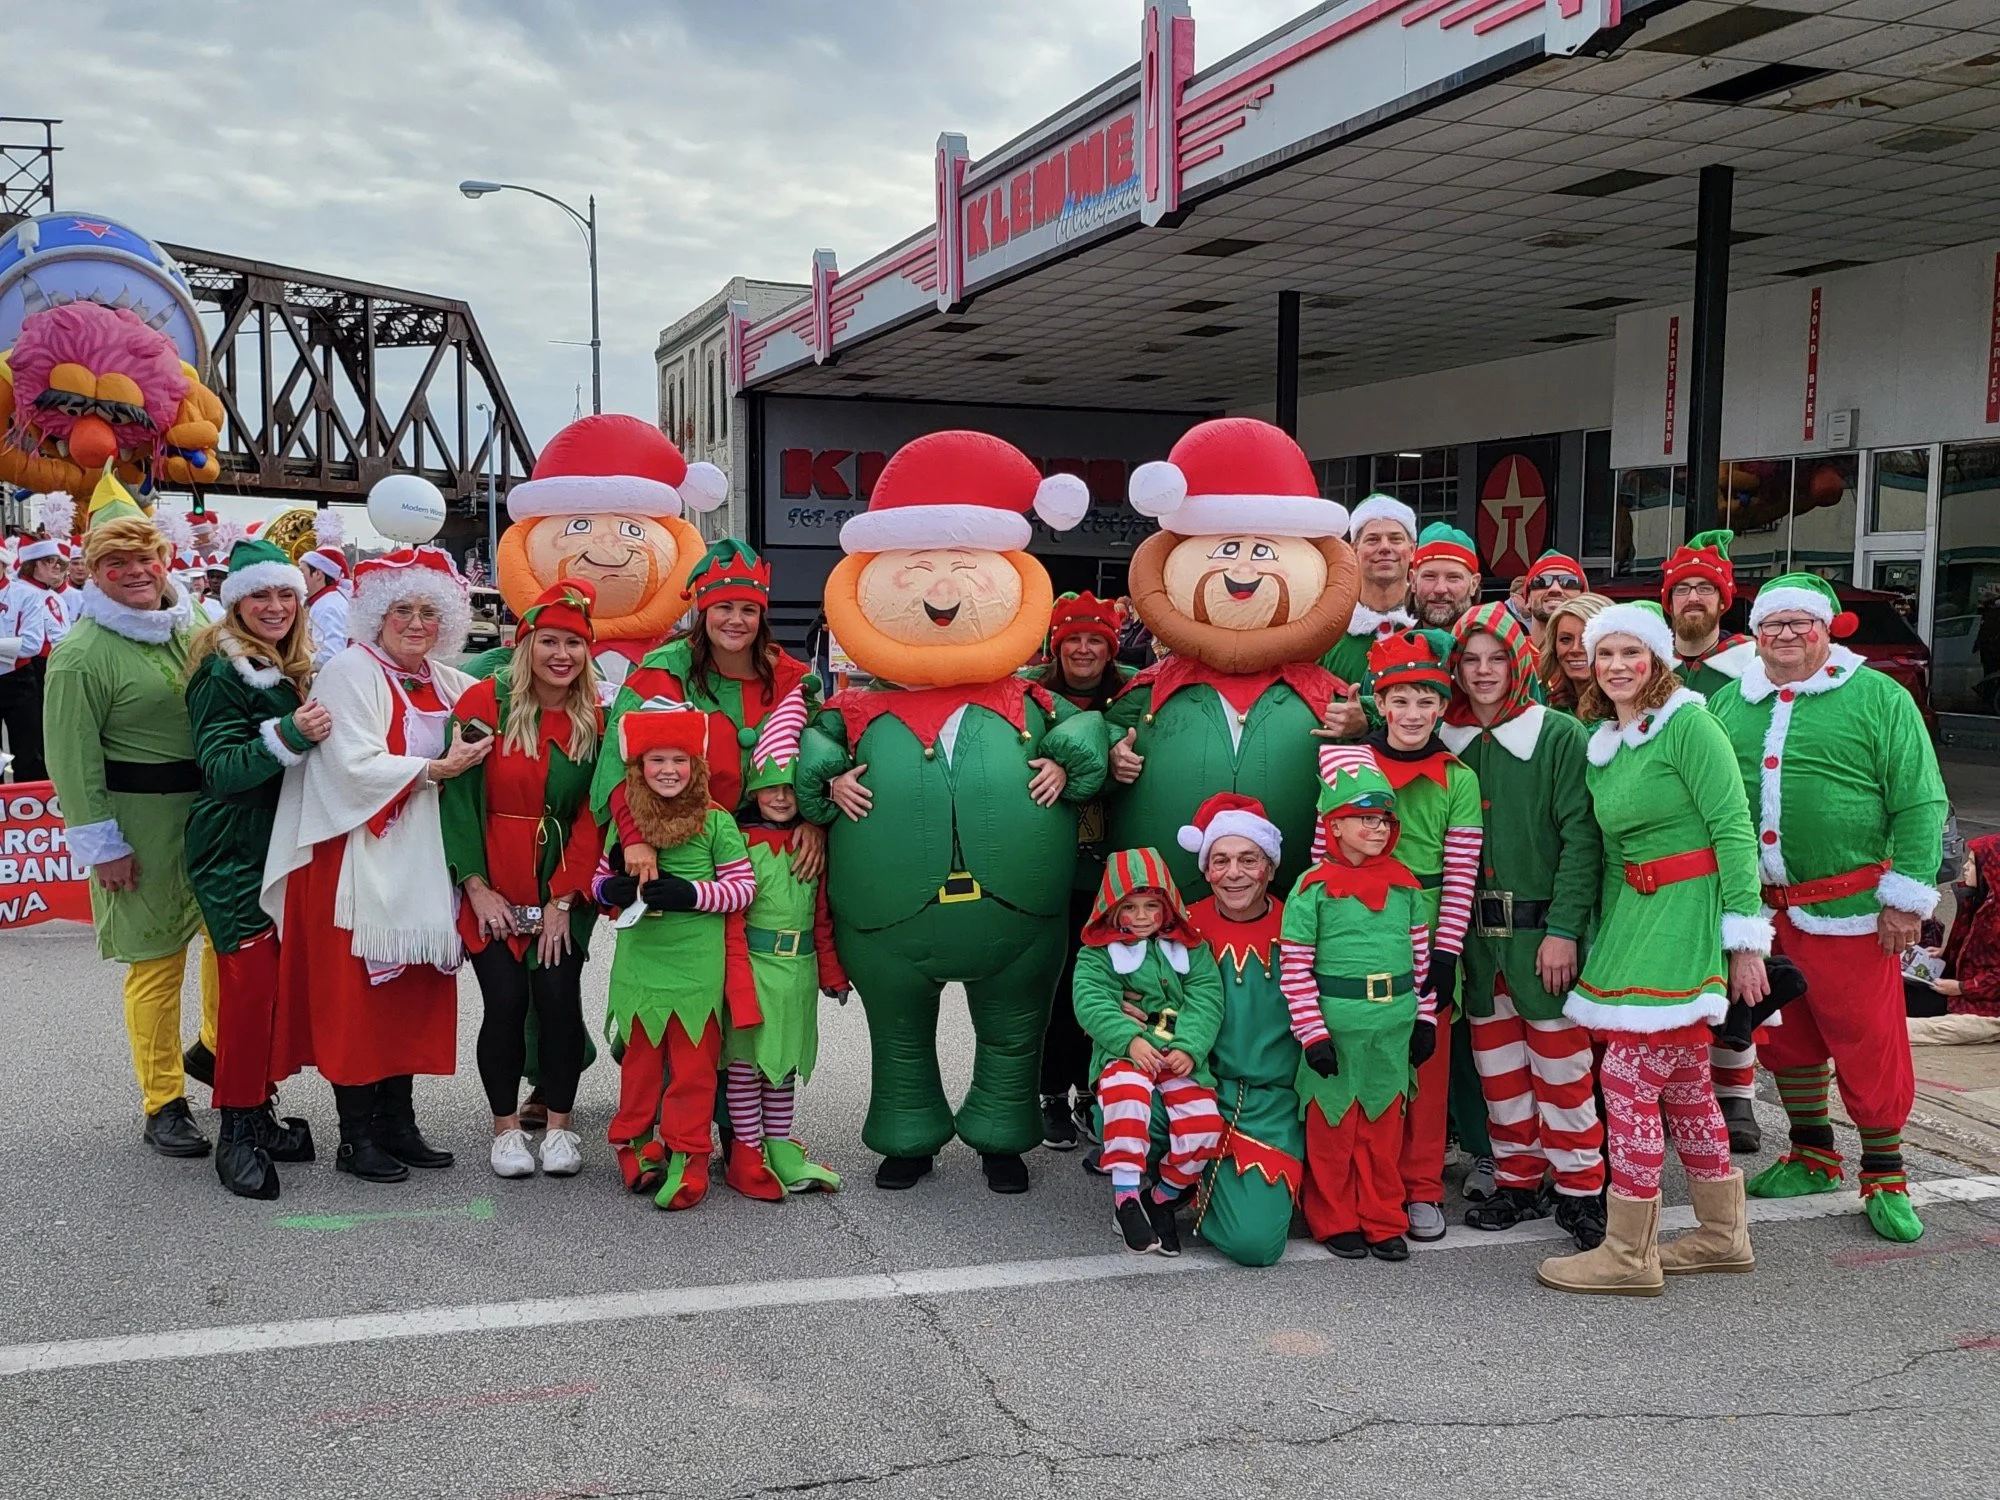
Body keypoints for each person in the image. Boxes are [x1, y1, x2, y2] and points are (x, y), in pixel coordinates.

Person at [795, 430, 1108, 1194]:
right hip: (890, 913)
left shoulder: (1031, 701)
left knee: (1013, 1032)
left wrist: (1073, 754)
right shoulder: (853, 709)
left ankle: (1003, 1131)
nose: (940, 591)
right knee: (899, 1035)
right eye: (916, 573)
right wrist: (825, 781)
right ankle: (909, 1133)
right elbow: (806, 759)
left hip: (1018, 908)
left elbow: (1090, 732)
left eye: (964, 572)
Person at [1537, 601, 1768, 1296]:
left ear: (1658, 659)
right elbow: (1609, 855)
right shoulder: (1607, 739)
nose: (1616, 667)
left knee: (1630, 1084)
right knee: (1688, 1087)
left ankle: (1629, 1253)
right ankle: (1723, 1235)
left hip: (1686, 915)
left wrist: (1745, 939)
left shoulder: (1690, 723)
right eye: (1605, 655)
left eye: (1632, 654)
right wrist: (1601, 937)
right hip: (1634, 919)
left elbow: (1732, 827)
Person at [1709, 573, 1948, 1244]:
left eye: (1798, 625)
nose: (1784, 636)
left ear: (1826, 628)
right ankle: (1812, 1153)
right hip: (1763, 912)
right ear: (1754, 637)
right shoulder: (1732, 701)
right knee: (1788, 1040)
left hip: (1854, 911)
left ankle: (1885, 1174)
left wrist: (1907, 897)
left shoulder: (1877, 696)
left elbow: (1920, 800)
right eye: (1771, 626)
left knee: (1868, 1043)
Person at [262, 543, 491, 1184]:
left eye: (428, 612)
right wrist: (433, 770)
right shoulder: (348, 672)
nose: (418, 623)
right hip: (354, 862)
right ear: (376, 618)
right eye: (403, 611)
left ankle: (400, 1123)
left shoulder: (446, 679)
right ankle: (355, 1135)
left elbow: (500, 708)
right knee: (357, 999)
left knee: (410, 995)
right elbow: (349, 764)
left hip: (420, 862)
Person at [1109, 418, 1359, 898]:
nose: (1241, 572)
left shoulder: (1328, 695)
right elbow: (1105, 730)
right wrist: (1108, 751)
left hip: (1294, 899)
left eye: (1263, 552)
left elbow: (1384, 740)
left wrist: (1362, 721)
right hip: (1165, 898)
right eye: (1225, 550)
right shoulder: (1149, 692)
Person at [46, 474, 222, 1155]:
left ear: (164, 558)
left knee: (228, 950)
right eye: (116, 563)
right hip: (138, 825)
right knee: (156, 964)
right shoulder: (81, 655)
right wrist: (103, 844)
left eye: (143, 557)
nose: (134, 572)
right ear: (94, 572)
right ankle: (163, 1099)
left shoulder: (197, 625)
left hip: (210, 817)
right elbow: (72, 760)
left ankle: (218, 1054)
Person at [1441, 603, 1606, 1248]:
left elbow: (1581, 839)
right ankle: (1517, 1178)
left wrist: (1564, 929)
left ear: (1519, 662)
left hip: (1542, 935)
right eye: (1471, 659)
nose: (1484, 672)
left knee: (1562, 1072)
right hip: (1476, 940)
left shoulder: (1558, 735)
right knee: (1499, 1069)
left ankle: (1581, 1188)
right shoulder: (1442, 737)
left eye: (1498, 658)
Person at [440, 580, 605, 1181]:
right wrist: (476, 887)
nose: (561, 655)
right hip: (493, 873)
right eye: (549, 641)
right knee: (505, 1003)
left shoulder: (596, 719)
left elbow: (594, 812)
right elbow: (457, 799)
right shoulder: (484, 704)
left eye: (574, 644)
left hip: (561, 881)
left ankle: (559, 1127)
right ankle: (506, 1129)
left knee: (560, 1001)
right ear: (526, 643)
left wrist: (564, 898)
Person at [1326, 629, 1487, 1239]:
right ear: (1380, 704)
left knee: (1426, 1061)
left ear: (1443, 706)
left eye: (1426, 701)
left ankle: (1421, 1186)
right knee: (1361, 1058)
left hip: (1428, 922)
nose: (1413, 713)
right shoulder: (1350, 764)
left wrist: (1445, 956)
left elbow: (1462, 872)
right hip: (1356, 923)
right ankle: (1366, 1179)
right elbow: (1325, 854)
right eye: (1400, 700)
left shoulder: (1458, 778)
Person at [183, 535, 329, 1198]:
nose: (274, 606)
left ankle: (254, 1104)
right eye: (260, 596)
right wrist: (294, 734)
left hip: (276, 845)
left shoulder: (287, 662)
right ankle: (237, 1129)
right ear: (235, 604)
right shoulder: (224, 667)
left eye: (284, 594)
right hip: (234, 848)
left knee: (270, 991)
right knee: (247, 991)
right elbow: (221, 770)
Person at [594, 709, 758, 1209]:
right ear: (638, 766)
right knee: (640, 1062)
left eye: (679, 760)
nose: (668, 769)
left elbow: (742, 889)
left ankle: (689, 1152)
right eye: (656, 759)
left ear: (697, 764)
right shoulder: (627, 825)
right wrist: (613, 889)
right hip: (642, 960)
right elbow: (597, 882)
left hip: (695, 964)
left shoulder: (716, 822)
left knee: (693, 1067)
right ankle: (634, 1143)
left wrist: (691, 893)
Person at [1281, 758, 1435, 1261]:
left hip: (1392, 1028)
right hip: (1336, 1029)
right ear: (1335, 824)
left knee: (1383, 1129)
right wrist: (1312, 1034)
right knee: (1332, 1130)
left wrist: (1425, 1019)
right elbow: (1296, 969)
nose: (1377, 827)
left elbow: (1422, 961)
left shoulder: (1406, 887)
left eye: (1384, 819)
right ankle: (1335, 1218)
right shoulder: (1311, 891)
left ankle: (1382, 1217)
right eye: (1364, 816)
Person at [1657, 530, 1763, 1150]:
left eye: (1705, 588)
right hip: (1668, 840)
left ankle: (1737, 1097)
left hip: (1733, 828)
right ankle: (1681, 1094)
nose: (1693, 598)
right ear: (1668, 602)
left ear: (1724, 601)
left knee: (1741, 965)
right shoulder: (1646, 664)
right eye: (1682, 589)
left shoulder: (1750, 665)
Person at [1025, 591, 1138, 1150]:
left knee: (1113, 983)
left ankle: (1096, 1090)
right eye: (1074, 639)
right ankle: (1049, 1092)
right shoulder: (1032, 695)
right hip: (1051, 866)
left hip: (1115, 867)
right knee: (1055, 980)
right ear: (1056, 644)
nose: (1085, 649)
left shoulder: (1134, 692)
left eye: (1097, 639)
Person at [597, 538, 818, 823]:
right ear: (705, 613)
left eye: (748, 610)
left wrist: (813, 823)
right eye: (724, 607)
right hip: (683, 839)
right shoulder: (663, 672)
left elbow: (816, 757)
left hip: (767, 839)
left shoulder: (791, 678)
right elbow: (619, 762)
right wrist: (633, 838)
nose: (736, 620)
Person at [1072, 846, 1225, 1256]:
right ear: (1112, 908)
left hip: (1177, 1054)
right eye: (1131, 907)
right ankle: (1126, 1199)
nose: (1141, 917)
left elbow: (1206, 997)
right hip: (1127, 1054)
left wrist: (1191, 1048)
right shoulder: (1099, 953)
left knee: (1204, 1123)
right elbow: (1091, 1001)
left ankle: (1163, 1195)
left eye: (1151, 907)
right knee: (1127, 1101)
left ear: (1167, 907)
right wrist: (1129, 1039)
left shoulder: (1189, 949)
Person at [1181, 794, 1303, 1267]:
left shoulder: (1300, 923)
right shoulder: (1181, 926)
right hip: (1195, 1091)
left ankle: (1205, 1187)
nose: (1234, 873)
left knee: (1255, 1245)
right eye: (1221, 861)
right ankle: (1159, 1184)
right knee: (1124, 1094)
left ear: (1270, 867)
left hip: (1275, 1104)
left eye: (1248, 859)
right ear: (1206, 869)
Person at [724, 750, 848, 1195]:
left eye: (792, 788)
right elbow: (730, 915)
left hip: (798, 973)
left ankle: (779, 1146)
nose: (781, 797)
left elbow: (821, 915)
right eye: (770, 787)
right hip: (752, 970)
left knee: (783, 1067)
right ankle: (748, 1153)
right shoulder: (737, 838)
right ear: (752, 790)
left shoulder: (812, 841)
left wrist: (832, 974)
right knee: (745, 1065)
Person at [1318, 493, 1416, 737]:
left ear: (1412, 550)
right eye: (1373, 539)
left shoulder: (1431, 630)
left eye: (1395, 539)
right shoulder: (1327, 631)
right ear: (1353, 549)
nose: (1385, 548)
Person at [1913, 837, 1998, 1017]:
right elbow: (1976, 948)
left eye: (1972, 863)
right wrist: (1948, 952)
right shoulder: (1978, 900)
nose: (1965, 868)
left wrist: (1961, 988)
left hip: (1981, 1000)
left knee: (1906, 1001)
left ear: (1991, 870)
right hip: (1961, 981)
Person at [0, 530, 51, 779]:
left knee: (29, 752)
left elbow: (31, 644)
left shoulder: (26, 594)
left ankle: (31, 810)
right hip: (14, 667)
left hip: (18, 680)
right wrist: (10, 646)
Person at [1538, 593, 1610, 715]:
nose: (1575, 649)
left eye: (1587, 639)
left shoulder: (1626, 711)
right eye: (1565, 639)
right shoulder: (1544, 701)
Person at [1410, 523, 1482, 630]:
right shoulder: (1389, 646)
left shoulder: (1501, 644)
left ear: (1473, 585)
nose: (1440, 589)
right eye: (1429, 576)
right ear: (1413, 581)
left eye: (1453, 577)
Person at [301, 531, 351, 669]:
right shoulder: (326, 601)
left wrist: (295, 663)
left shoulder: (328, 606)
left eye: (302, 572)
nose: (299, 578)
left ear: (317, 574)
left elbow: (331, 656)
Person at [1519, 550, 1585, 647]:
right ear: (1528, 598)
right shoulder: (1510, 656)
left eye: (1569, 582)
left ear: (1583, 599)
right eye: (1542, 582)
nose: (1555, 588)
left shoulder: (1598, 656)